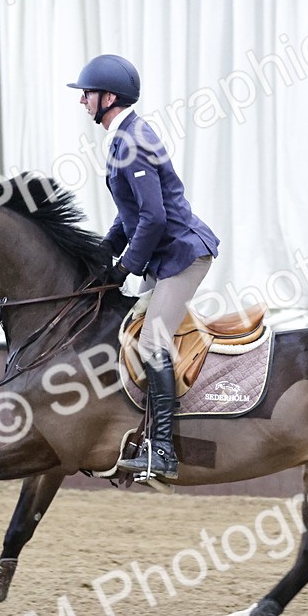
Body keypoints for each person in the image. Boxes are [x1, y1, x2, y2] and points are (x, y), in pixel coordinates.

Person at [68, 54, 220, 482]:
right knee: (132, 331)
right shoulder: (121, 137)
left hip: (183, 255)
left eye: (87, 93)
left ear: (109, 97)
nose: (82, 101)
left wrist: (125, 268)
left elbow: (153, 217)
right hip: (164, 253)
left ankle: (165, 452)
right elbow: (130, 213)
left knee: (153, 341)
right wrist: (105, 251)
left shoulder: (132, 139)